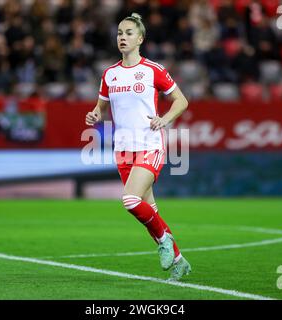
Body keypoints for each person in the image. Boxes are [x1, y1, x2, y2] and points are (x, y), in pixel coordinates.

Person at [85, 13, 190, 281]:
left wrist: (164, 119)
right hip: (122, 149)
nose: (122, 37)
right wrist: (95, 114)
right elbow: (101, 107)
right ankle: (178, 260)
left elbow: (181, 101)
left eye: (129, 33)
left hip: (149, 144)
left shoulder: (153, 70)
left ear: (140, 38)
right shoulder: (109, 75)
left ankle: (165, 240)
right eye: (120, 32)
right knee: (148, 210)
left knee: (130, 200)